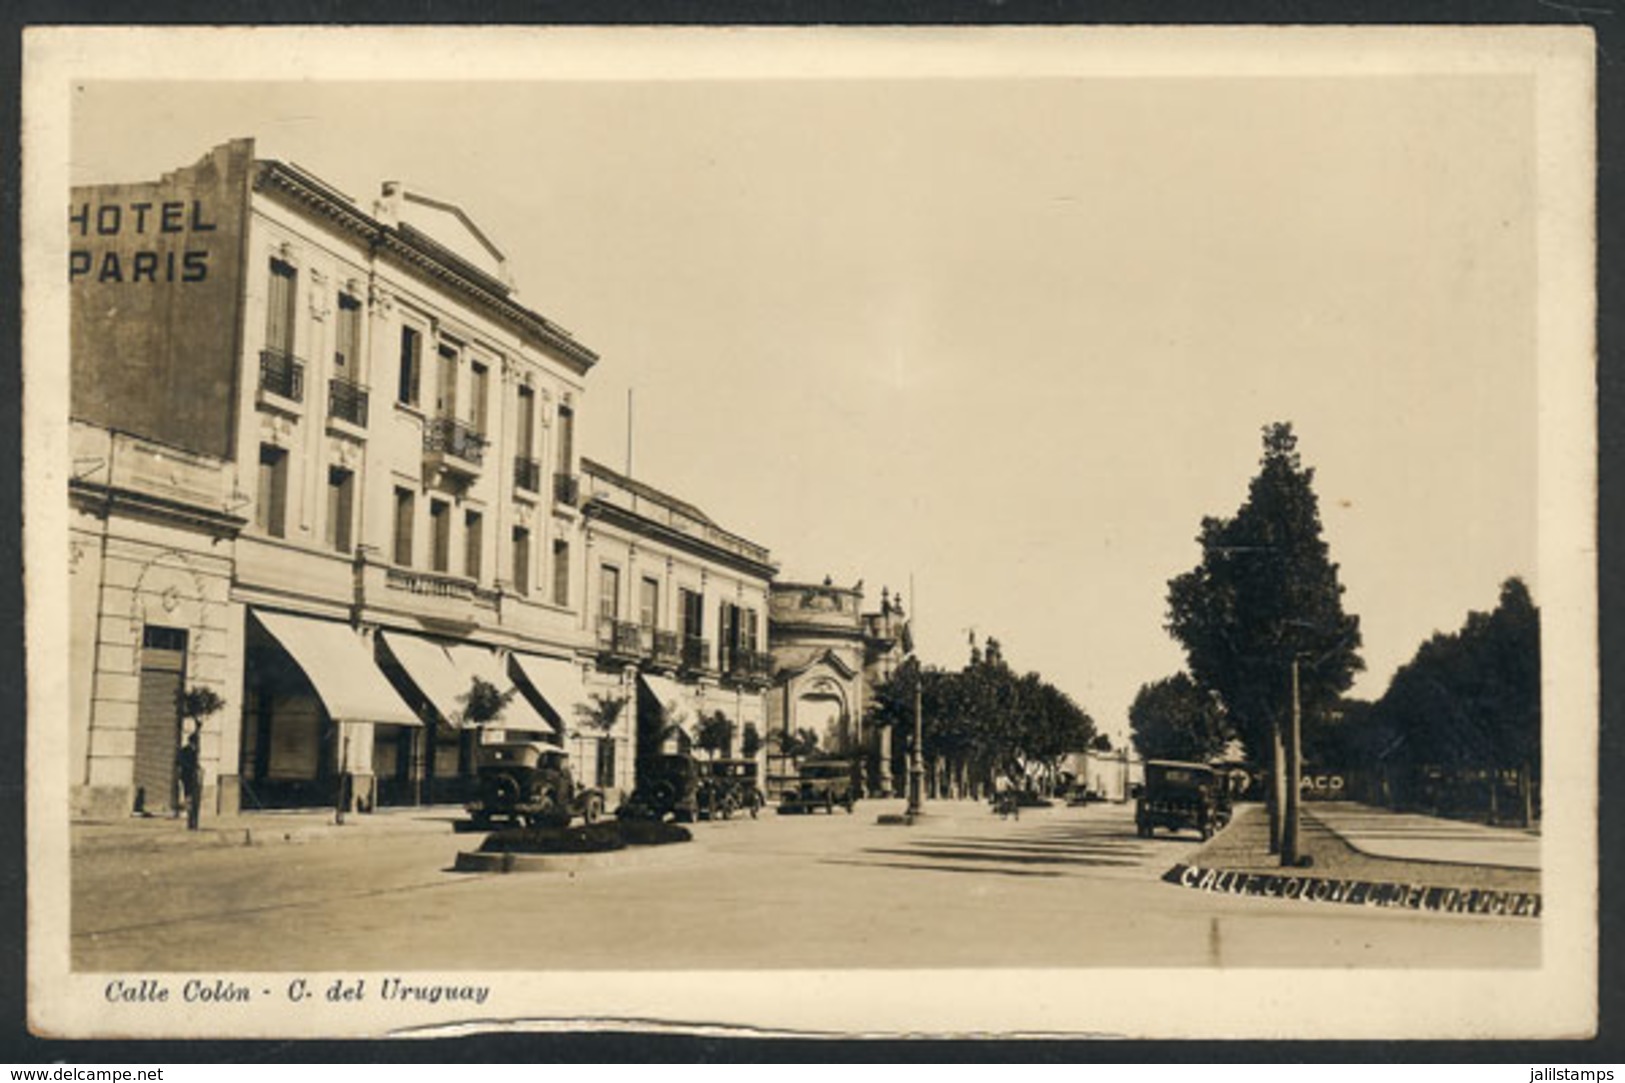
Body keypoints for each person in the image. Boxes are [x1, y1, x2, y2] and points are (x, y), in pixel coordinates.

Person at [176, 726, 202, 831]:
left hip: (193, 778)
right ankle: (190, 820)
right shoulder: (185, 750)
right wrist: (192, 768)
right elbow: (180, 762)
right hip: (188, 777)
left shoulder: (194, 751)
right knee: (190, 798)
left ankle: (192, 821)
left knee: (193, 799)